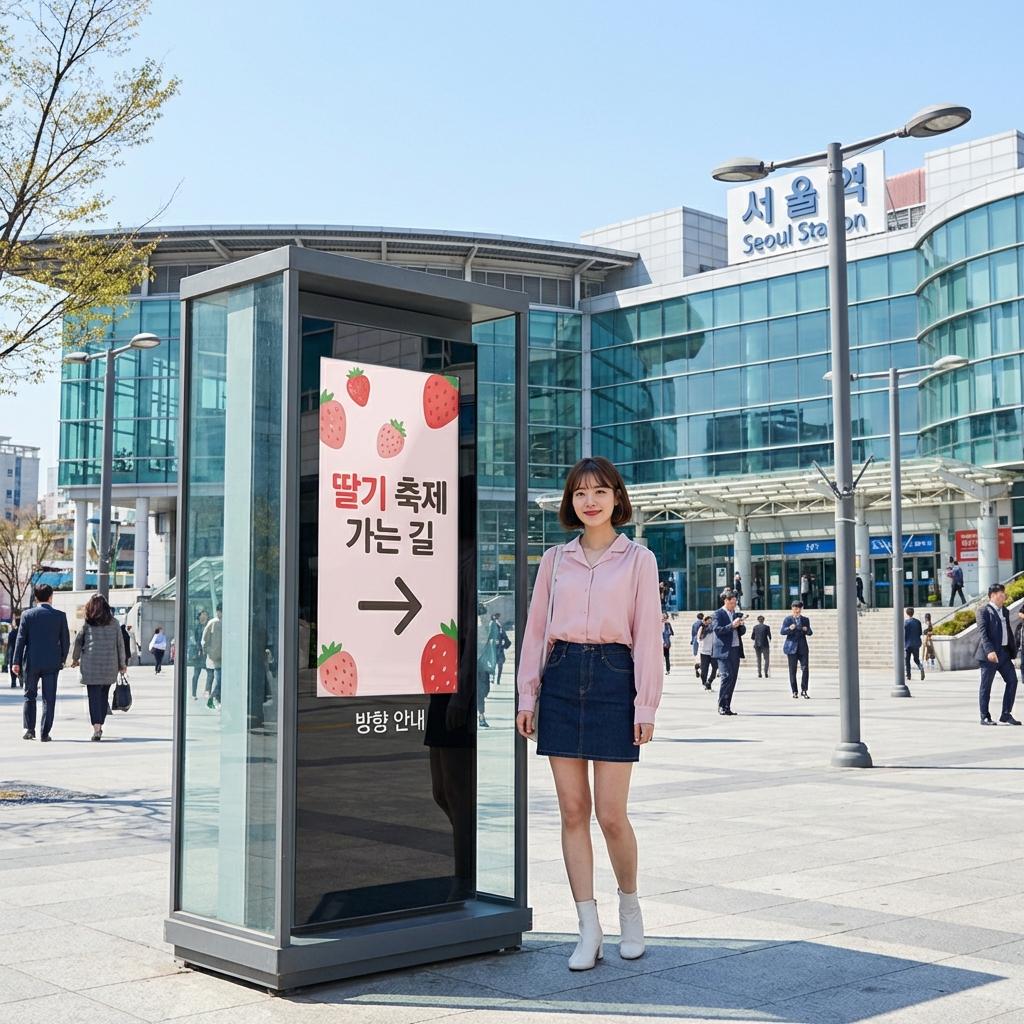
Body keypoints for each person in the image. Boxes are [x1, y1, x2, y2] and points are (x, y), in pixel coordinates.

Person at [516, 456, 661, 971]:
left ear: (617, 498)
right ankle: (588, 927)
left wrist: (646, 704)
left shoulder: (639, 559)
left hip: (614, 678)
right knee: (572, 811)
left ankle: (630, 908)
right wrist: (527, 696)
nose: (590, 501)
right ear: (570, 502)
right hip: (560, 675)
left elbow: (647, 637)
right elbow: (536, 631)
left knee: (611, 814)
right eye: (580, 493)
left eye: (600, 491)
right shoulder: (554, 561)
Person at [11, 584, 70, 742]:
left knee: (29, 696)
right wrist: (62, 660)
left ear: (36, 597)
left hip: (31, 662)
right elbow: (65, 641)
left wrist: (16, 661)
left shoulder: (27, 615)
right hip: (52, 663)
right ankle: (45, 732)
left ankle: (30, 730)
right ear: (51, 597)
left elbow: (20, 640)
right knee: (49, 699)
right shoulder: (60, 616)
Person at [71, 594, 127, 741]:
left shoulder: (88, 623)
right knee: (103, 697)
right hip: (109, 665)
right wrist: (122, 664)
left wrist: (75, 659)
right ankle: (99, 724)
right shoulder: (114, 623)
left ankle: (97, 728)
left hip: (91, 667)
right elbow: (120, 644)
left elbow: (78, 642)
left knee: (93, 697)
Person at [976, 583, 1019, 726]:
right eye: (1001, 595)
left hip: (1004, 653)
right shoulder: (983, 611)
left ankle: (1006, 714)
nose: (1003, 597)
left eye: (1004, 594)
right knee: (986, 686)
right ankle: (985, 716)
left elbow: (1007, 631)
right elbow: (983, 633)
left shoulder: (1004, 611)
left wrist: (1012, 649)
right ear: (992, 595)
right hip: (990, 654)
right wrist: (989, 651)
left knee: (1013, 680)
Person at [712, 589, 745, 715]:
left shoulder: (735, 614)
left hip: (735, 649)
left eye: (735, 603)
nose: (734, 605)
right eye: (732, 603)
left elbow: (741, 631)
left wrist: (740, 624)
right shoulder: (718, 614)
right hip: (723, 650)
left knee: (733, 678)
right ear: (726, 601)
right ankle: (721, 705)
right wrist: (732, 625)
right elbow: (717, 630)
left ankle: (727, 706)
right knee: (726, 676)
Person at [781, 600, 813, 699]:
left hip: (803, 648)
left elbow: (810, 632)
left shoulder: (805, 619)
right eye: (795, 608)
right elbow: (782, 631)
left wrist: (806, 629)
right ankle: (794, 691)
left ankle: (804, 690)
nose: (797, 610)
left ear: (801, 609)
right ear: (792, 609)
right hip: (791, 648)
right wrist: (790, 628)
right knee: (792, 670)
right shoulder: (788, 619)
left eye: (798, 608)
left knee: (805, 669)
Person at [202, 606, 223, 709]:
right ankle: (212, 698)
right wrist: (210, 652)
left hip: (223, 656)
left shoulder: (228, 621)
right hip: (217, 657)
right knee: (219, 680)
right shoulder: (213, 623)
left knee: (220, 680)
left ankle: (217, 700)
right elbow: (205, 640)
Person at [189, 609, 209, 700]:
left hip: (207, 654)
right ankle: (194, 693)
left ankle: (207, 692)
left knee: (211, 674)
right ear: (199, 616)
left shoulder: (209, 626)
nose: (204, 616)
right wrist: (199, 648)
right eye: (203, 614)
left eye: (206, 614)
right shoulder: (197, 627)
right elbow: (195, 640)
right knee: (196, 674)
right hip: (199, 654)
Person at [488, 613, 510, 686]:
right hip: (493, 649)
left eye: (497, 618)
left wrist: (503, 645)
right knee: (493, 665)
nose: (496, 620)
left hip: (499, 649)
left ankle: (497, 680)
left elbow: (506, 639)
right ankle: (493, 679)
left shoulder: (500, 628)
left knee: (499, 665)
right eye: (495, 618)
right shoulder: (491, 626)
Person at [904, 606, 925, 682]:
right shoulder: (918, 622)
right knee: (916, 659)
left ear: (907, 613)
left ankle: (908, 675)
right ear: (913, 613)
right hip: (916, 643)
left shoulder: (905, 623)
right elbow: (920, 633)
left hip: (907, 644)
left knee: (907, 660)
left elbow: (903, 634)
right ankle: (920, 667)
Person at [697, 614, 718, 690]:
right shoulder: (702, 629)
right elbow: (699, 639)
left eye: (711, 621)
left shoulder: (714, 629)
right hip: (704, 652)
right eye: (708, 621)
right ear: (704, 621)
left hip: (713, 652)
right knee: (704, 670)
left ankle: (709, 681)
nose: (710, 623)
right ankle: (704, 682)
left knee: (715, 667)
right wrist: (705, 632)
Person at [751, 615, 772, 679]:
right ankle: (766, 672)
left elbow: (752, 637)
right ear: (763, 620)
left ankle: (759, 673)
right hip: (765, 644)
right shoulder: (767, 627)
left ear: (758, 620)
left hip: (757, 645)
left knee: (759, 659)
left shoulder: (755, 627)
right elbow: (770, 636)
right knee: (766, 659)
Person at [690, 612, 704, 679]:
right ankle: (700, 669)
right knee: (701, 655)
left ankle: (696, 668)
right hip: (701, 640)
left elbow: (692, 633)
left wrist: (692, 641)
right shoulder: (703, 624)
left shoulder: (694, 624)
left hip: (695, 640)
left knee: (696, 655)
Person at [6, 619, 19, 688]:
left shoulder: (12, 633)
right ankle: (21, 680)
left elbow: (9, 644)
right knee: (21, 664)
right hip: (20, 651)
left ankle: (13, 681)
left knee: (12, 665)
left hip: (12, 651)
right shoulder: (22, 632)